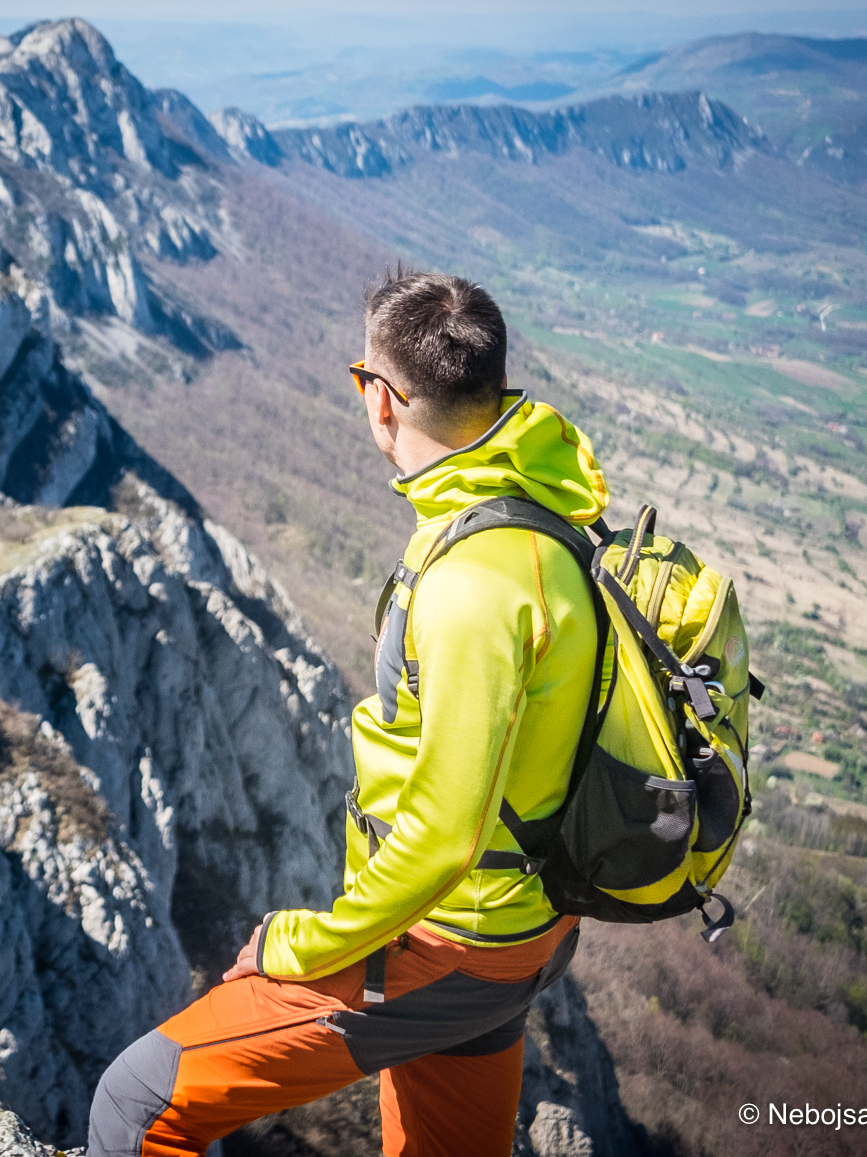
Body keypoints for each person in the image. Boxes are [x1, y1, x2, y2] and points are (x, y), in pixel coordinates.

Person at [88, 268, 613, 1157]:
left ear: (381, 401)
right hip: (515, 935)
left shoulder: (475, 587)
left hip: (451, 942)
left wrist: (305, 944)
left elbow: (444, 836)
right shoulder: (535, 508)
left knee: (137, 1101)